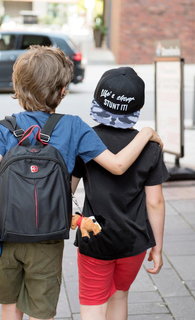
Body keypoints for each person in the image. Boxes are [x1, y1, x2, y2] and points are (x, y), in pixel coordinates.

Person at [0, 46, 163, 320]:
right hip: (47, 239)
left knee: (9, 306)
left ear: (18, 86)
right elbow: (117, 165)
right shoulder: (73, 127)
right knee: (39, 310)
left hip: (4, 234)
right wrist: (147, 134)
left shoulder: (6, 128)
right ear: (62, 91)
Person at [71, 67, 169, 320]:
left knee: (93, 300)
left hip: (95, 236)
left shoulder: (86, 140)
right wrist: (156, 246)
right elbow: (155, 202)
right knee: (120, 294)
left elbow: (67, 190)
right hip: (134, 240)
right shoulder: (150, 147)